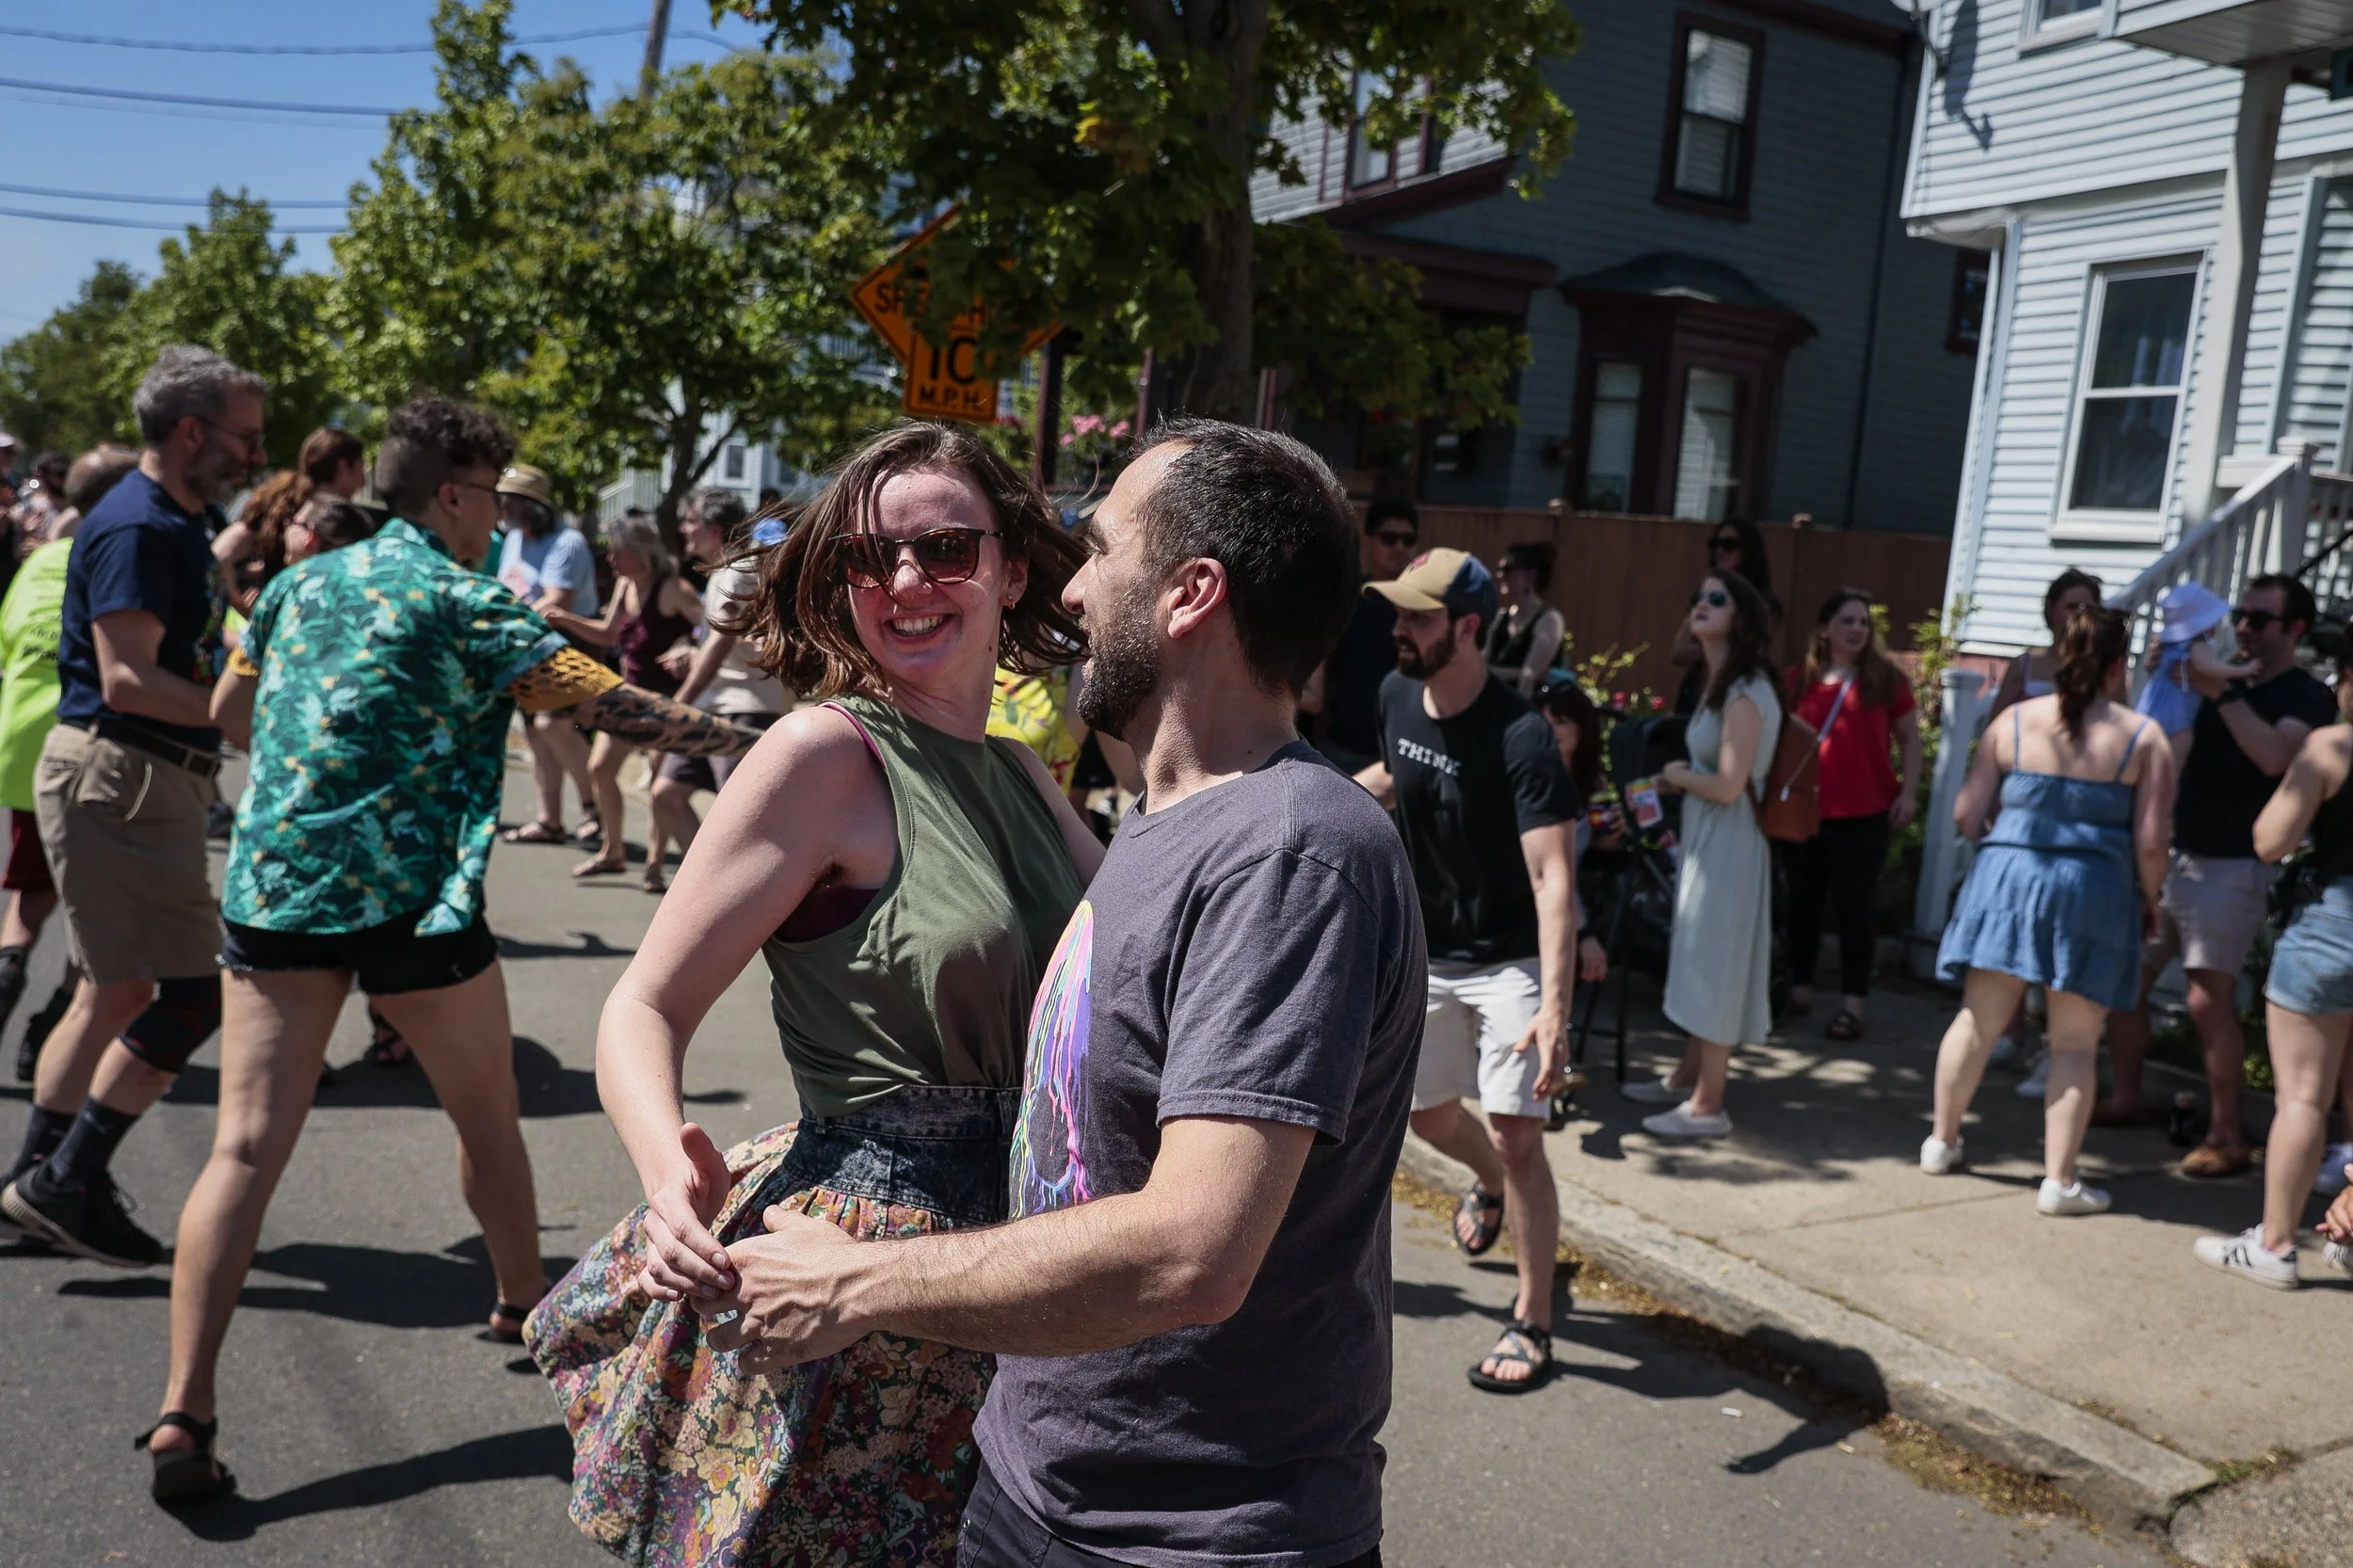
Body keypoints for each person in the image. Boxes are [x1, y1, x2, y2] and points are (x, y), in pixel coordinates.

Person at [655, 420, 1417, 1568]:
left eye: (1100, 547)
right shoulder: (1169, 819)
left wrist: (860, 1280)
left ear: (1190, 593)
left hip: (1178, 1520)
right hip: (1026, 1440)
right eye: (871, 559)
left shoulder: (1273, 844)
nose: (1078, 580)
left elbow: (1191, 1251)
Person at [137, 395, 759, 1505]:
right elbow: (621, 711)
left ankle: (183, 1408)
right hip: (415, 904)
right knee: (484, 1116)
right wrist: (757, 742)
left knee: (239, 1151)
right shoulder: (465, 600)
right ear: (456, 494)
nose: (496, 522)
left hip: (279, 893)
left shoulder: (288, 584)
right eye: (492, 494)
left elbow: (235, 715)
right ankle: (525, 1300)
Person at [524, 421, 1099, 1562]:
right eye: (866, 557)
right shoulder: (820, 757)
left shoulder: (1024, 772)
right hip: (855, 1284)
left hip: (1025, 1267)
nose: (904, 581)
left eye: (944, 548)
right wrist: (664, 1177)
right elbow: (642, 1004)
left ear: (1011, 567)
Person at [0, 346, 265, 1269]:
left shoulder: (177, 521)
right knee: (189, 997)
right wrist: (252, 718)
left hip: (130, 781)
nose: (255, 454)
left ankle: (32, 1188)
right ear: (192, 430)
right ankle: (64, 1177)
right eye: (245, 436)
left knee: (110, 991)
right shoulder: (143, 526)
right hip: (125, 778)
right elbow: (126, 679)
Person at [1355, 546, 1577, 1392]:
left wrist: (1554, 1009)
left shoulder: (1521, 734)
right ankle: (1486, 1183)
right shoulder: (1393, 697)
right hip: (1429, 954)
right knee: (1430, 1118)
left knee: (1520, 1132)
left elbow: (1554, 878)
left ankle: (1533, 1320)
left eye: (1419, 616)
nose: (1400, 628)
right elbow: (1397, 775)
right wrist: (1324, 797)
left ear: (1469, 627)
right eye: (1400, 612)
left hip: (1511, 961)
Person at [1924, 607, 2172, 1217]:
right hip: (2092, 889)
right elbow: (2150, 842)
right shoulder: (2143, 737)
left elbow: (1965, 814)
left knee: (1977, 1023)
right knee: (2074, 1045)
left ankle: (1941, 1141)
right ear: (2120, 665)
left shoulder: (2011, 722)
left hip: (2006, 877)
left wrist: (2004, 851)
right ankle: (2059, 1183)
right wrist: (2151, 900)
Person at [2104, 575, 2335, 1172]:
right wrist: (2172, 679)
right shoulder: (2215, 678)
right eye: (2242, 615)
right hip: (2176, 854)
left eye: (2261, 619)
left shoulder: (2306, 695)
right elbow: (2167, 745)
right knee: (2124, 979)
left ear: (2295, 630)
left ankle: (2228, 1134)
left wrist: (2220, 693)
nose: (2246, 628)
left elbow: (2275, 757)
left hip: (2232, 866)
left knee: (2210, 1000)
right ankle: (2127, 1096)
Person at [2194, 644, 2353, 1287]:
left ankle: (2277, 1244)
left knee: (2304, 1098)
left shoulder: (2330, 748)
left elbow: (2269, 840)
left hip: (2330, 926)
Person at [1627, 572, 1782, 1138]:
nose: (1700, 605)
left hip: (1731, 845)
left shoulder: (1745, 690)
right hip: (1711, 839)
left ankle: (1708, 1105)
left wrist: (1677, 774)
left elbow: (1729, 784)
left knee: (1714, 967)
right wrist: (1675, 783)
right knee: (1698, 959)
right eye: (1696, 596)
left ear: (1741, 616)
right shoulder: (1721, 680)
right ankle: (1685, 1077)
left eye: (1717, 599)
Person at [1, 448, 136, 1085]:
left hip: (23, 745)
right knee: (95, 902)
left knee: (32, 893)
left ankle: (6, 972)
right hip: (88, 743)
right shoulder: (124, 556)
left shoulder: (40, 563)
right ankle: (52, 1025)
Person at [1781, 589, 1922, 1041]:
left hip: (1865, 812)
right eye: (1847, 621)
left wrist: (1909, 792)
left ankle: (1852, 1005)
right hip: (1807, 811)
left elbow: (1911, 739)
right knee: (1801, 903)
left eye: (1863, 622)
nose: (1857, 629)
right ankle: (1799, 987)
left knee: (1854, 910)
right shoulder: (1796, 681)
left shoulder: (1885, 680)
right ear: (1825, 628)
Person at [544, 513, 703, 889]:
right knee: (600, 767)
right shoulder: (624, 584)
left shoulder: (672, 588)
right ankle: (612, 852)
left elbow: (707, 626)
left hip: (665, 701)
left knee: (658, 786)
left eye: (618, 551)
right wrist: (566, 619)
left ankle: (654, 863)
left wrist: (687, 646)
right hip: (628, 696)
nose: (611, 559)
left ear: (640, 552)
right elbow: (608, 634)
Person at [647, 488, 791, 858]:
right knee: (666, 794)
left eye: (692, 521)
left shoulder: (740, 569)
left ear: (715, 529)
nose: (684, 528)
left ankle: (747, 901)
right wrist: (689, 653)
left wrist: (680, 702)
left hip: (746, 707)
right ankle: (710, 881)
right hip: (716, 705)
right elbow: (723, 640)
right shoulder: (723, 572)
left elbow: (722, 641)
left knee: (741, 819)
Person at [494, 463, 603, 849]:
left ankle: (592, 808)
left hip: (567, 644)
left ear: (533, 505)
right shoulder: (513, 540)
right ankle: (549, 819)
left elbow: (558, 601)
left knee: (552, 726)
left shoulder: (567, 542)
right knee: (534, 735)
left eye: (510, 501)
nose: (502, 508)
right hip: (526, 647)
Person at [1313, 496, 1418, 773]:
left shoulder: (1422, 606)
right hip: (1341, 748)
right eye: (1389, 538)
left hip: (1401, 753)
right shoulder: (1346, 596)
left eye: (1408, 540)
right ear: (1369, 540)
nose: (1399, 547)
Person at [1535, 678, 1617, 987]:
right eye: (1543, 722)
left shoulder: (1595, 786)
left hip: (1572, 901)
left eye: (1561, 722)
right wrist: (1584, 934)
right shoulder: (1530, 781)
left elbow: (1593, 852)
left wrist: (1610, 838)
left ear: (1583, 729)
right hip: (1538, 905)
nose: (1549, 730)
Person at [1672, 519, 1778, 714]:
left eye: (1729, 545)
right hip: (1698, 687)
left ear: (1748, 550)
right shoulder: (1704, 594)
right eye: (1715, 544)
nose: (1720, 551)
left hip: (1735, 686)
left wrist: (1713, 644)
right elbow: (1678, 651)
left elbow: (1754, 649)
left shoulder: (1762, 602)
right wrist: (1715, 646)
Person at [1989, 568, 2103, 719]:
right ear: (2051, 610)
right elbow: (1996, 724)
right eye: (2072, 607)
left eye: (2088, 609)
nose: (2080, 616)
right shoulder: (2023, 666)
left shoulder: (2103, 671)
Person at [1483, 540, 1565, 698]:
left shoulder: (1549, 620)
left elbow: (1528, 678)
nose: (1500, 576)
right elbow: (1481, 668)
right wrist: (1516, 672)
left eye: (1507, 570)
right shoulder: (1499, 618)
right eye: (1499, 570)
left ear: (1530, 575)